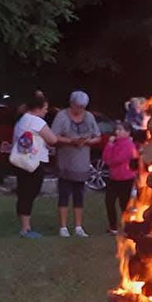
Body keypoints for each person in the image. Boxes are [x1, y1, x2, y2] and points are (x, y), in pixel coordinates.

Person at [10, 90, 64, 238]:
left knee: (23, 192)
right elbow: (52, 139)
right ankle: (25, 229)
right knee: (29, 193)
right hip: (32, 163)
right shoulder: (36, 121)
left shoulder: (22, 119)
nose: (46, 111)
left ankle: (24, 226)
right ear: (38, 108)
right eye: (45, 108)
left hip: (21, 161)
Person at [50, 90, 99, 237]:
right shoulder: (62, 116)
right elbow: (53, 136)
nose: (80, 110)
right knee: (64, 194)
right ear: (71, 104)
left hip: (82, 163)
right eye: (78, 106)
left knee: (79, 195)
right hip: (66, 162)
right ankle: (63, 227)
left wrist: (87, 141)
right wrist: (70, 141)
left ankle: (78, 227)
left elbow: (97, 136)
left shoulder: (89, 117)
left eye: (83, 107)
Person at [102, 121, 138, 235]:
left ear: (128, 132)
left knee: (124, 204)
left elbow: (118, 159)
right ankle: (113, 226)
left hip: (126, 178)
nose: (117, 132)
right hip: (114, 178)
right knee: (109, 201)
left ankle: (128, 227)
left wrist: (110, 160)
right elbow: (105, 158)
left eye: (120, 130)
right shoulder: (114, 144)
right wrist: (109, 145)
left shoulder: (129, 145)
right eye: (117, 129)